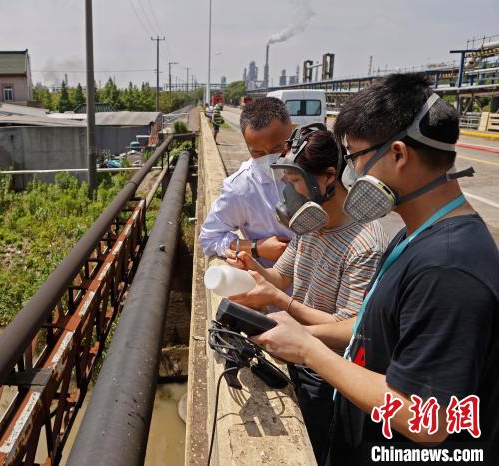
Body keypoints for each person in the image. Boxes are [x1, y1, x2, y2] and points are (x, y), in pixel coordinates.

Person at [251, 73, 499, 465]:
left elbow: (425, 421)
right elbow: (369, 326)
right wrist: (295, 335)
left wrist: (311, 352)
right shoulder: (415, 236)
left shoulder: (448, 268)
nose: (351, 175)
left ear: (398, 154)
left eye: (355, 158)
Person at [226, 125, 389, 463]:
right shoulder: (310, 221)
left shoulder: (364, 243)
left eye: (295, 181)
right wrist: (252, 268)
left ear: (329, 176)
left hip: (325, 374)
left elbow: (347, 328)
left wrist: (282, 302)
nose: (289, 192)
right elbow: (281, 276)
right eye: (286, 182)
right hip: (294, 352)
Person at [199, 97, 293, 268]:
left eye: (278, 149)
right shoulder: (240, 188)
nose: (270, 159)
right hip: (276, 287)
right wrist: (257, 247)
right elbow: (210, 238)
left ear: (292, 132)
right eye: (258, 153)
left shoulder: (317, 166)